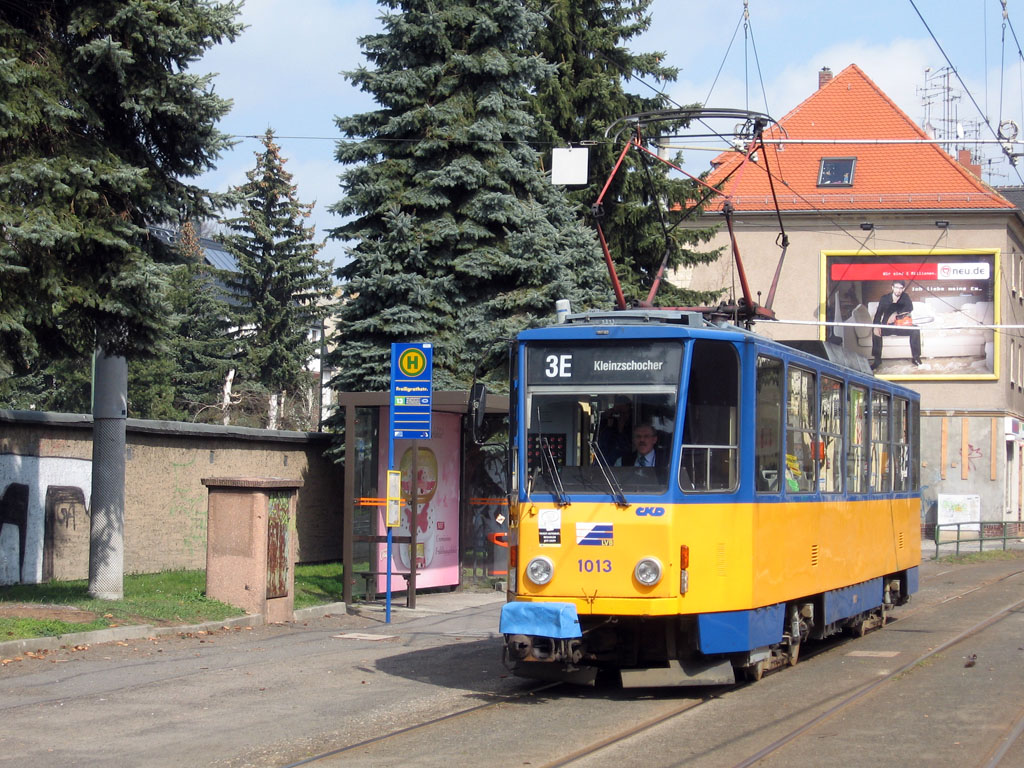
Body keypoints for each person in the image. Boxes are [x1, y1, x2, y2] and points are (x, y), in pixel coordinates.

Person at [871, 280, 922, 369]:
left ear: (903, 289)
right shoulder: (885, 298)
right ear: (892, 287)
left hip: (901, 326)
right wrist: (876, 326)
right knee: (875, 332)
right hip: (887, 326)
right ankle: (877, 359)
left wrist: (896, 313)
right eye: (896, 288)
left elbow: (910, 308)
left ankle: (916, 357)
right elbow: (878, 313)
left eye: (900, 288)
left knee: (915, 329)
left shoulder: (905, 297)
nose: (898, 290)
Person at [597, 396, 633, 465]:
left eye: (623, 413)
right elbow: (600, 446)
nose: (620, 416)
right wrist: (608, 426)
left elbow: (626, 449)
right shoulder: (606, 424)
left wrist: (621, 430)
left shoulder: (633, 426)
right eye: (617, 413)